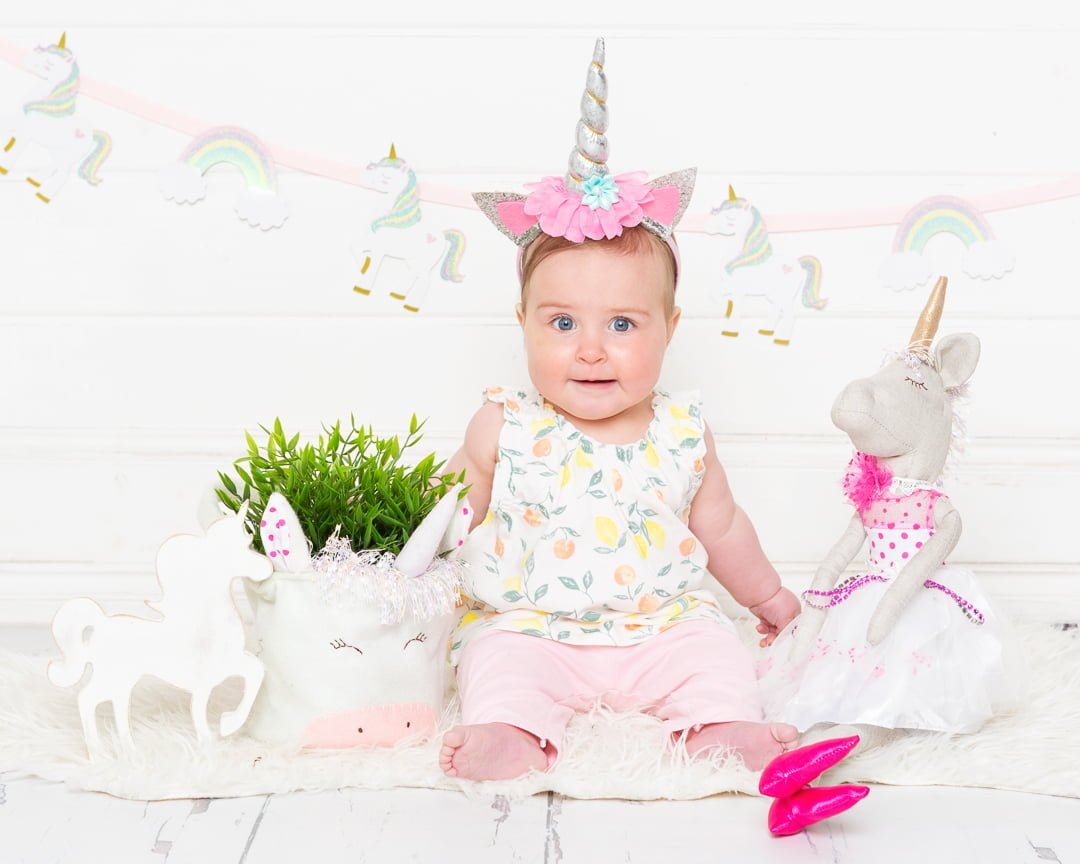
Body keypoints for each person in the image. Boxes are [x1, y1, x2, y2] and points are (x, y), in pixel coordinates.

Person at [437, 39, 801, 782]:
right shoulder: (504, 425)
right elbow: (444, 519)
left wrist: (767, 596)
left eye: (624, 325)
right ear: (524, 322)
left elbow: (721, 525)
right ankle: (509, 734)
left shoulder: (680, 431)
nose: (591, 351)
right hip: (533, 625)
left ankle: (717, 731)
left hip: (661, 628)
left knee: (717, 655)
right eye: (563, 323)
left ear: (670, 329)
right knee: (495, 662)